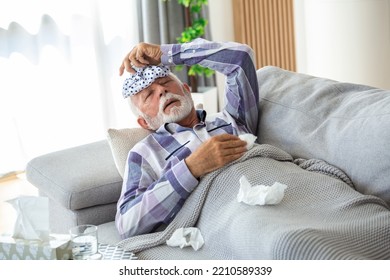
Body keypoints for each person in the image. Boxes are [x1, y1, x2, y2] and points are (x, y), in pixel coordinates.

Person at [116, 38, 259, 239]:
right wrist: (191, 168)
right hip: (237, 220)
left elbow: (240, 57)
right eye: (149, 95)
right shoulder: (144, 153)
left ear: (186, 90)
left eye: (165, 82)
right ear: (145, 123)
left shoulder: (232, 118)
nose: (161, 91)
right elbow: (127, 224)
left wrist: (165, 54)